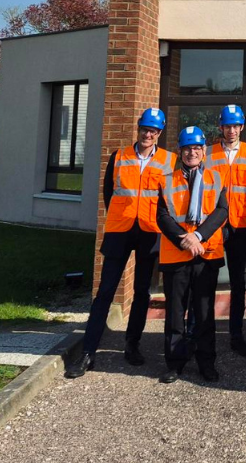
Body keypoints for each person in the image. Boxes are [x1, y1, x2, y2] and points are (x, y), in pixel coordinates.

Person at [66, 108, 175, 378]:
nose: (148, 134)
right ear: (138, 129)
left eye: (153, 131)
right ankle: (88, 352)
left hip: (150, 230)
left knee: (141, 292)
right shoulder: (120, 156)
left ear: (159, 134)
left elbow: (170, 198)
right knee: (105, 292)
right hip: (120, 229)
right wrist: (120, 215)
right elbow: (108, 192)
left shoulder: (168, 161)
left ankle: (132, 344)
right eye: (144, 129)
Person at [157, 125, 229, 383]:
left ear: (203, 151)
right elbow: (163, 217)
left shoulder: (216, 178)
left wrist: (198, 237)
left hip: (205, 254)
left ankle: (206, 363)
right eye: (187, 148)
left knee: (204, 314)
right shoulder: (166, 180)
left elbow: (222, 212)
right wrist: (185, 241)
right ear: (180, 151)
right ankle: (175, 363)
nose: (192, 152)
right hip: (177, 256)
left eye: (197, 148)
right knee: (176, 314)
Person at [206, 104, 246, 356]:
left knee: (238, 281)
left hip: (241, 224)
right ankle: (201, 331)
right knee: (205, 279)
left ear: (241, 127)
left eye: (235, 126)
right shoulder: (207, 153)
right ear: (221, 127)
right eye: (227, 126)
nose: (231, 130)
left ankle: (236, 334)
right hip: (213, 225)